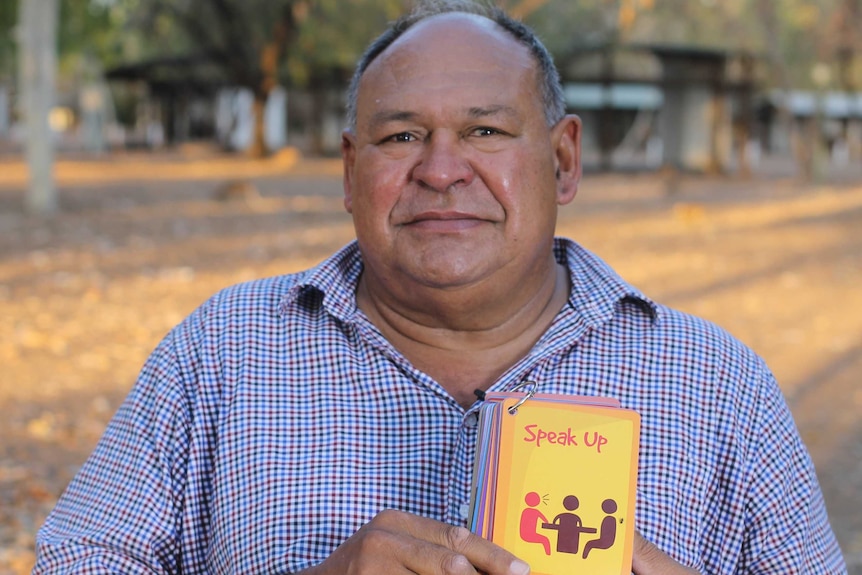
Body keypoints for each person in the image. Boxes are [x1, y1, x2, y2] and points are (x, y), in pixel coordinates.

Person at [33, 1, 846, 574]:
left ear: (562, 161)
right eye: (402, 136)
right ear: (351, 172)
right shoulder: (223, 351)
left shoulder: (716, 384)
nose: (442, 169)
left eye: (486, 131)